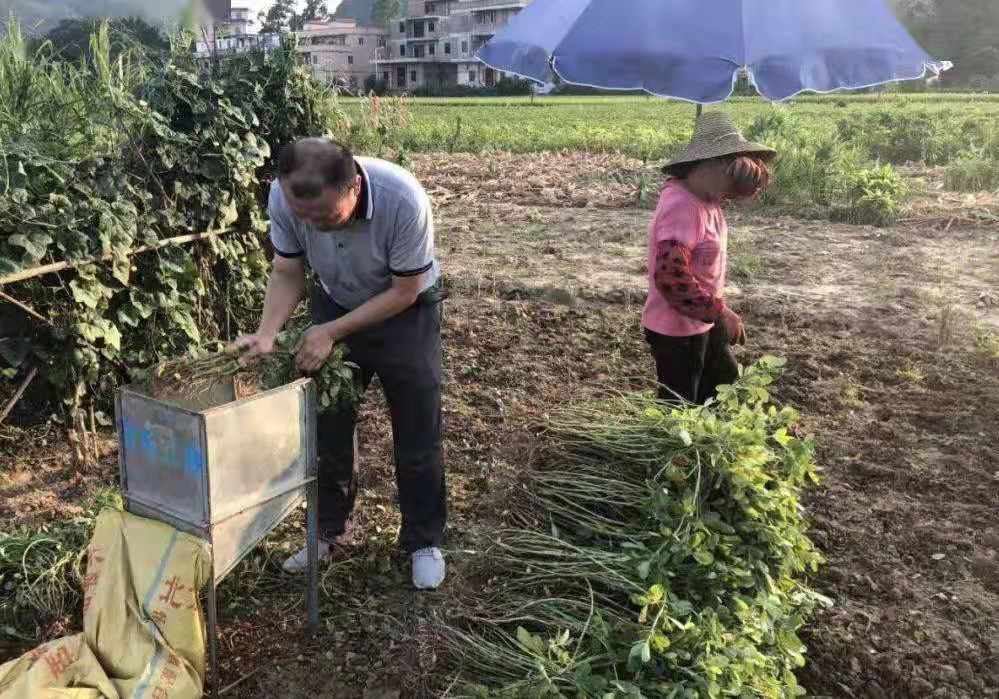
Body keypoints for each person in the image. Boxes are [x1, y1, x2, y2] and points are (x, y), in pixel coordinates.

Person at [236, 138, 447, 590]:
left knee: (416, 427)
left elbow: (405, 290)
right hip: (336, 298)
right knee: (328, 426)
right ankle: (329, 532)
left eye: (325, 217)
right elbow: (288, 269)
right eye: (303, 216)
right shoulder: (285, 195)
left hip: (405, 310)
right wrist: (268, 331)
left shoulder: (402, 199)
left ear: (353, 187)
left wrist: (331, 333)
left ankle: (422, 541)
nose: (314, 226)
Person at [643, 112, 776, 404]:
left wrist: (718, 313)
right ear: (712, 163)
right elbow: (671, 278)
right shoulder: (682, 205)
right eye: (733, 172)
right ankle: (680, 449)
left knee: (725, 389)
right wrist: (720, 314)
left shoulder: (708, 199)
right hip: (677, 332)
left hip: (702, 317)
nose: (731, 192)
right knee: (681, 408)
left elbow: (703, 272)